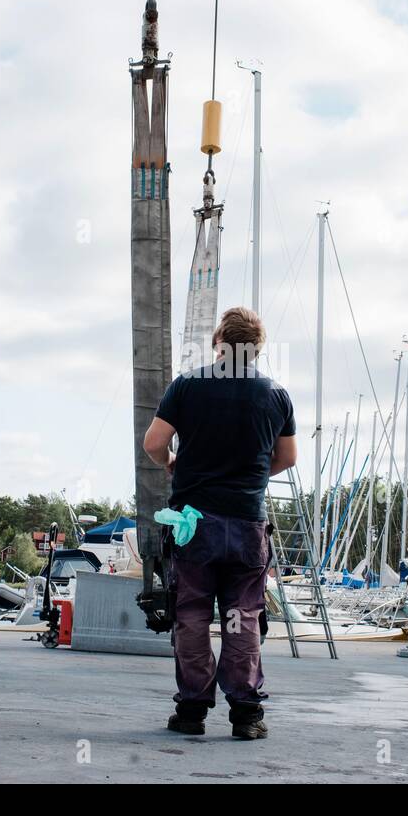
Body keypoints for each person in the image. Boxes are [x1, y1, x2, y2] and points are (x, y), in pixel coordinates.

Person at [142, 307, 296, 740]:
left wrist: (173, 463)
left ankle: (192, 711)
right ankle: (246, 714)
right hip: (247, 524)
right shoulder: (276, 394)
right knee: (241, 616)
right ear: (258, 347)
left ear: (218, 341)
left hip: (195, 525)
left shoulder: (188, 386)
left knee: (190, 613)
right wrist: (247, 478)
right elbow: (287, 458)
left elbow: (154, 443)